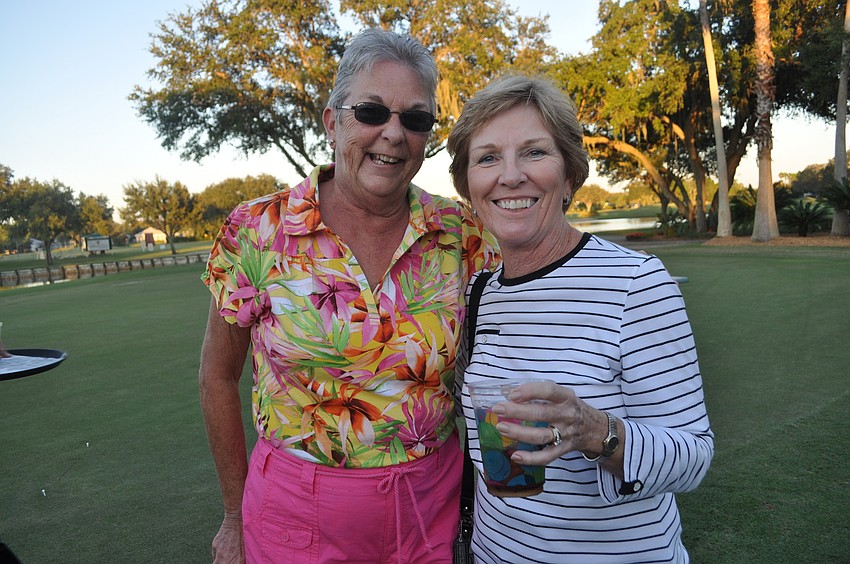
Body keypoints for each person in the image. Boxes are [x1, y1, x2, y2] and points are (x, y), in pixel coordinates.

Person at [199, 28, 498, 563]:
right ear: (332, 121)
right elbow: (218, 375)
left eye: (415, 118)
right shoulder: (258, 230)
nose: (393, 133)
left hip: (430, 512)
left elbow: (501, 373)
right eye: (371, 112)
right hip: (294, 515)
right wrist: (232, 516)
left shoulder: (462, 234)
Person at [447, 74, 714, 563]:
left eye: (534, 152)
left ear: (570, 175)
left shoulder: (636, 283)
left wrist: (593, 430)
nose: (509, 176)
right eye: (487, 158)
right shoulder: (478, 291)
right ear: (469, 187)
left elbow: (693, 458)